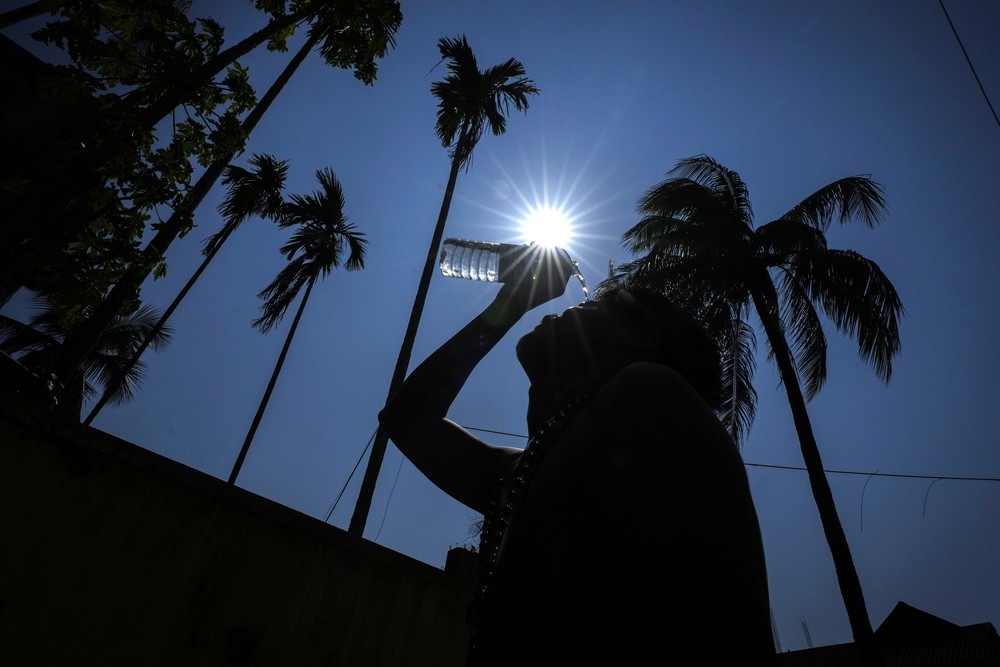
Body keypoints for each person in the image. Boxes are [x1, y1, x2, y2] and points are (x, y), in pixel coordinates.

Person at [378, 247, 776, 665]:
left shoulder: (650, 395)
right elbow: (406, 418)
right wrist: (507, 306)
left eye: (591, 305)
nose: (565, 310)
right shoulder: (524, 470)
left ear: (639, 336)